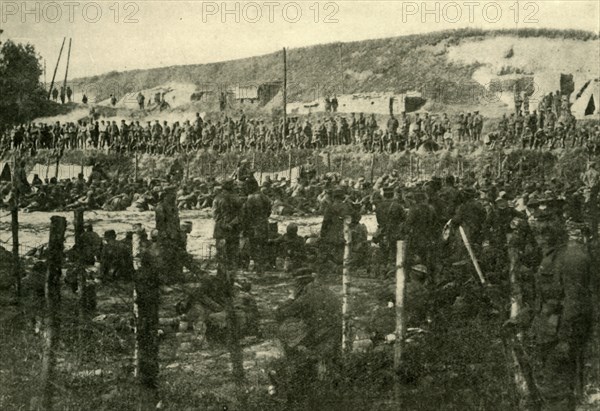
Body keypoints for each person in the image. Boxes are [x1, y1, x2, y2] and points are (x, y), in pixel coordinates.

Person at [523, 196, 592, 411]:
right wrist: (522, 318)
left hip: (560, 339)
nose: (542, 229)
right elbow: (542, 300)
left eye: (549, 221)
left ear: (561, 222)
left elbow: (576, 304)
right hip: (546, 335)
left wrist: (566, 341)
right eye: (539, 222)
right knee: (548, 391)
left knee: (558, 396)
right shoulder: (551, 255)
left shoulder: (572, 257)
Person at [213, 180, 242, 272]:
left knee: (221, 253)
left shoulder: (217, 198)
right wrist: (232, 224)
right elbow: (241, 215)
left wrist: (224, 224)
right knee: (232, 253)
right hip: (233, 228)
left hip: (221, 228)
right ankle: (231, 274)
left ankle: (221, 273)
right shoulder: (236, 198)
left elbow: (215, 215)